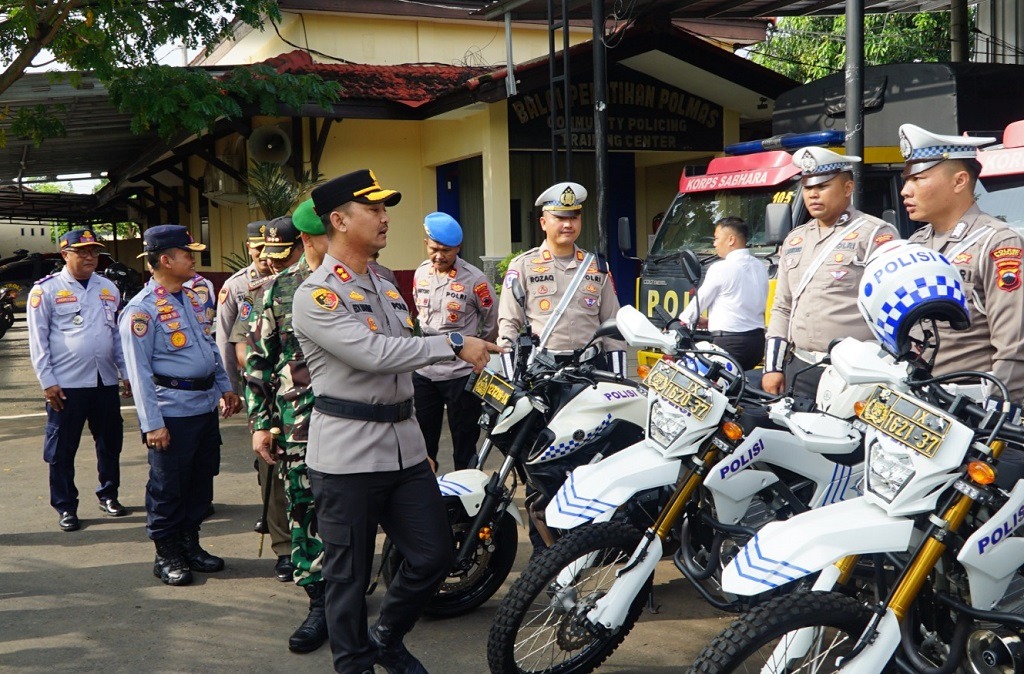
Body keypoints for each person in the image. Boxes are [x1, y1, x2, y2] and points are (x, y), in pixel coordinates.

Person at [291, 169, 502, 674]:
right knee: (348, 576)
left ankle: (386, 637)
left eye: (385, 209)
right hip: (346, 455)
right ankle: (356, 663)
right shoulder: (315, 295)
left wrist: (417, 446)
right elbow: (375, 353)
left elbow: (402, 362)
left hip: (404, 449)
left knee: (434, 556)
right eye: (375, 210)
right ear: (339, 221)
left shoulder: (386, 287)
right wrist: (453, 342)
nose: (386, 219)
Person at [119, 225, 241, 586]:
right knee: (167, 486)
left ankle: (191, 544)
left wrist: (225, 387)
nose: (193, 259)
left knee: (200, 483)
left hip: (203, 407)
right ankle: (167, 552)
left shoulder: (189, 298)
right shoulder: (140, 311)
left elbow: (208, 347)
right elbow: (138, 375)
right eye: (187, 253)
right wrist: (152, 424)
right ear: (165, 260)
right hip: (171, 413)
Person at [245, 199, 330, 653]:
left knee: (358, 509)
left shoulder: (367, 283)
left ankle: (352, 592)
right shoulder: (278, 289)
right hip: (299, 424)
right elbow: (259, 361)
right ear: (309, 239)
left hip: (360, 424)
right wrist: (260, 424)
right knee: (305, 510)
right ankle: (319, 603)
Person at [762, 147, 898, 398]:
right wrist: (772, 367)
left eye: (822, 186)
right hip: (800, 367)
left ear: (847, 189)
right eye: (807, 187)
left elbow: (893, 306)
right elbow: (782, 306)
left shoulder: (875, 234)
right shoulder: (795, 240)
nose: (813, 194)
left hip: (854, 372)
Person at [900, 123, 1024, 401]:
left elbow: (1014, 347)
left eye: (918, 179)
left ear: (959, 181)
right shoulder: (917, 243)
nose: (905, 191)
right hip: (920, 394)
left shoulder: (997, 242)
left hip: (972, 402)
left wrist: (996, 411)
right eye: (906, 180)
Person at [27, 229, 131, 532]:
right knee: (61, 449)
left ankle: (109, 494)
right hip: (66, 384)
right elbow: (38, 341)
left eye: (94, 251)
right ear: (65, 255)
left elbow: (116, 336)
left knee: (110, 443)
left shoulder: (108, 288)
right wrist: (47, 382)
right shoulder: (45, 291)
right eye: (82, 251)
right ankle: (65, 506)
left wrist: (124, 372)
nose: (90, 257)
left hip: (104, 381)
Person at [497, 181, 626, 374]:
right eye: (559, 217)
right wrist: (511, 382)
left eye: (574, 217)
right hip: (544, 369)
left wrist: (619, 377)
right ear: (543, 223)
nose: (568, 224)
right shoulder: (523, 266)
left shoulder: (597, 267)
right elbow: (508, 326)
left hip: (591, 369)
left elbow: (613, 327)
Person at [233, 216, 300, 582]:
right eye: (267, 252)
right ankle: (285, 548)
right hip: (274, 397)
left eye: (281, 253)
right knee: (273, 473)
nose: (271, 260)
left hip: (313, 404)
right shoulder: (259, 293)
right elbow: (244, 346)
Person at [412, 212, 499, 471]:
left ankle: (466, 503)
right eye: (434, 248)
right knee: (421, 444)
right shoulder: (421, 273)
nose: (439, 256)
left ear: (458, 248)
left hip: (461, 374)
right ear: (426, 243)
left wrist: (476, 352)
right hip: (425, 371)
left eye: (446, 251)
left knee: (465, 442)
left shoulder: (475, 280)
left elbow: (492, 322)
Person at [679, 216, 768, 371]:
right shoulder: (760, 266)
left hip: (730, 345)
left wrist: (682, 321)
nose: (714, 244)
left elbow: (699, 304)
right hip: (757, 345)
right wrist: (710, 320)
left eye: (716, 238)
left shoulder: (721, 268)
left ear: (731, 240)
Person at [216, 220, 271, 391]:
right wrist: (229, 387)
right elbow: (224, 339)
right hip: (254, 377)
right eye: (258, 248)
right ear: (248, 247)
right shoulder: (234, 286)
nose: (263, 254)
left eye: (267, 247)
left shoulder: (291, 280)